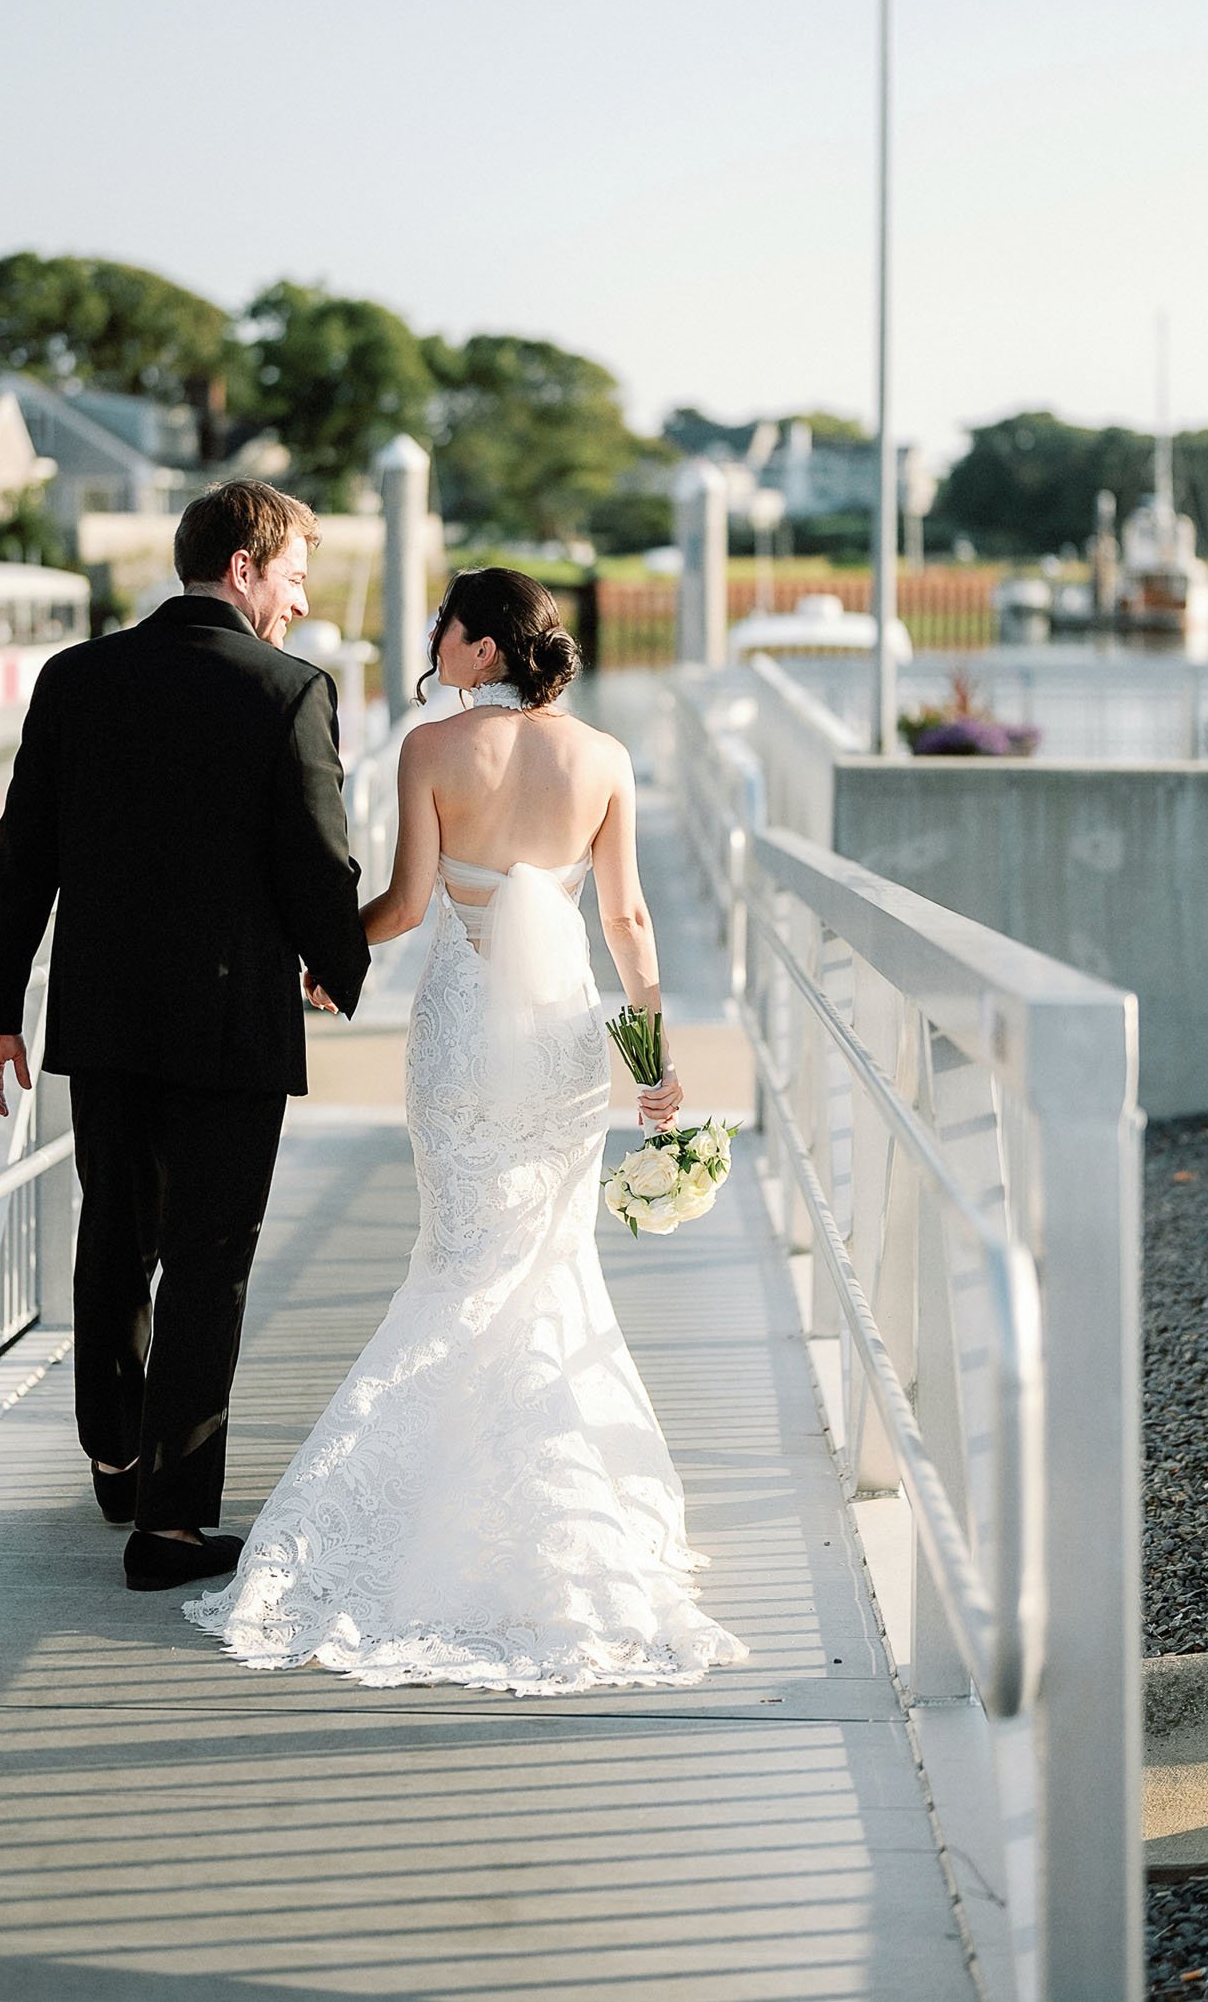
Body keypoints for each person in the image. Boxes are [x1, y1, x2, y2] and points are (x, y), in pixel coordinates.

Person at [187, 566, 746, 1692]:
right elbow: (626, 922)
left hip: (454, 1041)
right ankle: (561, 1505)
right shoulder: (603, 760)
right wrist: (651, 1061)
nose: (430, 641)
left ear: (484, 647)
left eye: (442, 625)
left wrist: (315, 956)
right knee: (546, 1267)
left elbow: (399, 908)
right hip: (558, 1054)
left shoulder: (433, 752)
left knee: (454, 1263)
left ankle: (424, 1503)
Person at [0, 481, 369, 1592]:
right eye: (290, 573)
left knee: (115, 1231)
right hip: (231, 1025)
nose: (296, 597)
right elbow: (317, 861)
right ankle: (171, 1528)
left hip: (101, 1016)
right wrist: (342, 963)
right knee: (206, 1265)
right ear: (243, 567)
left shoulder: (74, 678)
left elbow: (21, 857)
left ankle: (113, 1451)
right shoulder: (289, 691)